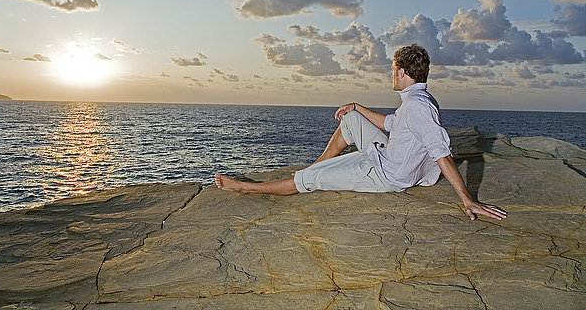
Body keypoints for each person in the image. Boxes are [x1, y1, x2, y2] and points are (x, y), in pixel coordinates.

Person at [215, 44, 507, 221]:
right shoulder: (420, 99)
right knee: (352, 119)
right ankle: (321, 166)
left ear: (403, 73)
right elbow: (391, 125)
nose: (391, 74)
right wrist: (357, 106)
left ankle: (246, 187)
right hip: (393, 157)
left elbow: (442, 152)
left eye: (393, 70)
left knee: (308, 179)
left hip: (385, 175)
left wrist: (467, 199)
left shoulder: (418, 107)